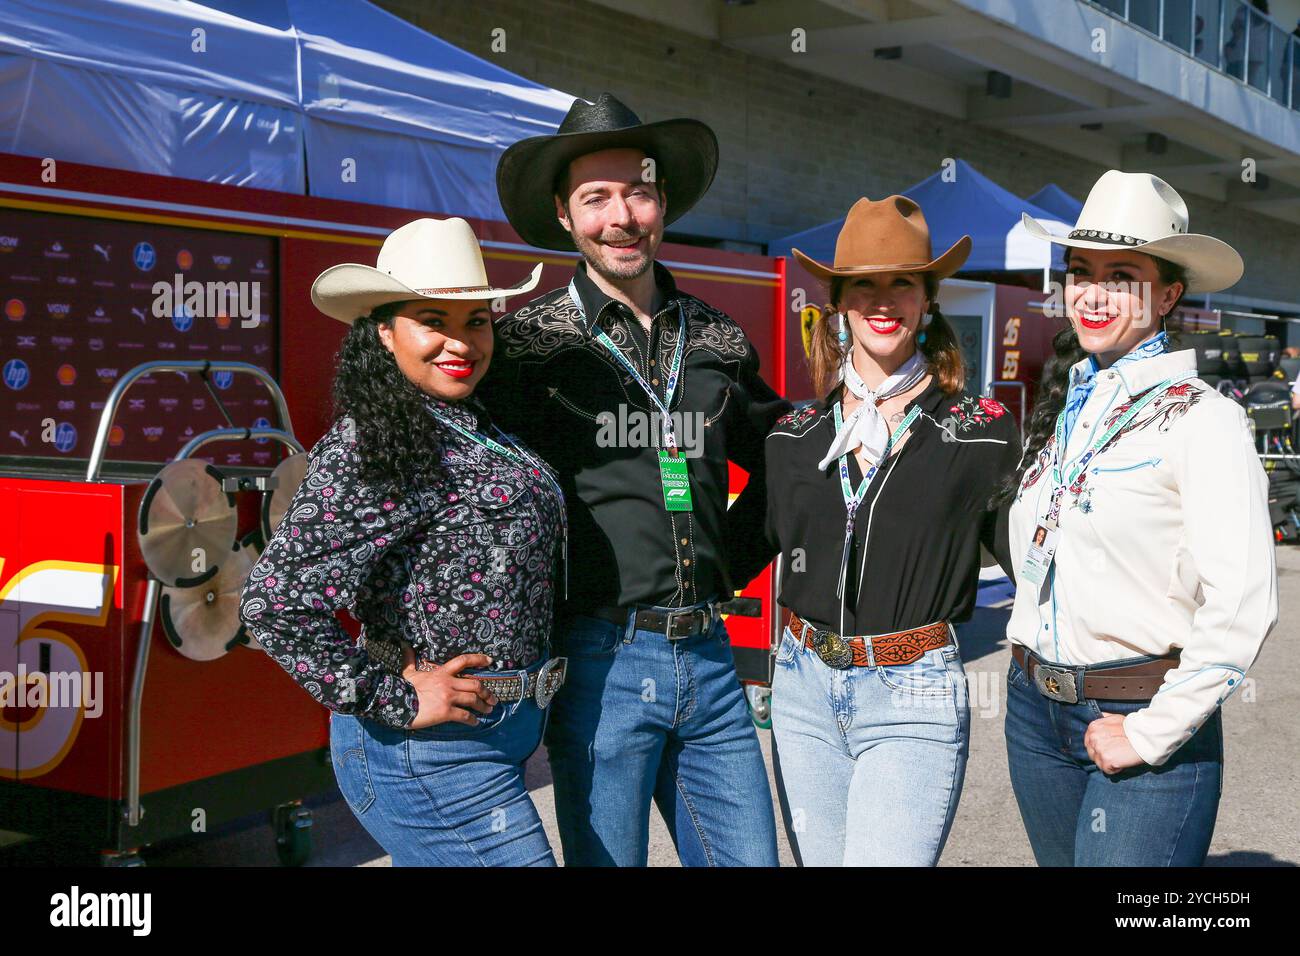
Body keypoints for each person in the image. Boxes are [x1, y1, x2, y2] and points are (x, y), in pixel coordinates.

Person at [483, 92, 789, 866]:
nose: (621, 215)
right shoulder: (524, 350)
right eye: (597, 197)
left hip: (716, 663)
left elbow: (791, 459)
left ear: (663, 204)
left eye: (639, 191)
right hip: (599, 661)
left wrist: (730, 556)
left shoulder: (717, 336)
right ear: (564, 214)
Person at [239, 218, 567, 866]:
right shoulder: (374, 444)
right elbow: (273, 603)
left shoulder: (469, 421)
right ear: (384, 332)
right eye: (432, 320)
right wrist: (393, 696)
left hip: (498, 733)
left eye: (476, 320)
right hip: (427, 751)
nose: (461, 341)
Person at [997, 171, 1279, 866]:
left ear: (1169, 294)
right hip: (1036, 713)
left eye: (1121, 275)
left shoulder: (1205, 420)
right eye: (1081, 272)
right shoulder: (1067, 408)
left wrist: (1153, 732)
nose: (1093, 293)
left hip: (1139, 711)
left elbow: (1243, 600)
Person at [763, 196, 1020, 866]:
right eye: (864, 285)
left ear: (928, 299)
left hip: (915, 690)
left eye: (901, 282)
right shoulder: (795, 433)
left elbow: (1036, 558)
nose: (883, 301)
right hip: (801, 688)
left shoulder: (982, 428)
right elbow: (734, 547)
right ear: (841, 303)